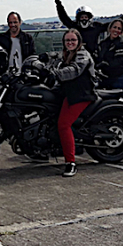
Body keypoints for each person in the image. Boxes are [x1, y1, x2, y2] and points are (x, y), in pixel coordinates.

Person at [52, 29, 96, 178]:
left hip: (81, 94)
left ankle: (70, 163)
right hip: (69, 93)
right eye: (67, 40)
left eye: (73, 40)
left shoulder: (82, 55)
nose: (70, 42)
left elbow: (74, 70)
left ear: (79, 41)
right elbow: (54, 62)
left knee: (63, 125)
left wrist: (54, 74)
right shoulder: (65, 55)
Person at [53, 0, 123, 53]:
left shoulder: (96, 27)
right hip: (76, 55)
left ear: (90, 18)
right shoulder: (74, 26)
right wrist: (58, 2)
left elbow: (114, 24)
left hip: (93, 57)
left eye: (86, 17)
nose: (84, 19)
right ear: (78, 18)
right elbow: (64, 17)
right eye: (82, 17)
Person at [95, 19, 123, 92]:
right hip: (104, 78)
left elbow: (118, 61)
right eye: (114, 27)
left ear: (121, 31)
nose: (116, 30)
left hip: (118, 78)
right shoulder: (103, 43)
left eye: (119, 28)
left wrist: (104, 64)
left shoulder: (122, 45)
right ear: (110, 28)